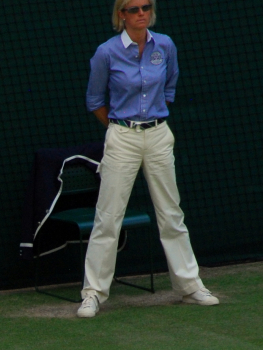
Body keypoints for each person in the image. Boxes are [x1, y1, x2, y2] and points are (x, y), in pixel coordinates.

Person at [79, 0, 218, 318]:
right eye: (134, 8)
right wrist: (122, 127)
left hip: (158, 135)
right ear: (121, 15)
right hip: (122, 137)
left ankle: (189, 286)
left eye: (146, 6)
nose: (142, 13)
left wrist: (150, 123)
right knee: (108, 216)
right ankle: (93, 293)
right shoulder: (106, 52)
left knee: (171, 213)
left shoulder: (165, 45)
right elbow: (95, 99)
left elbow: (169, 86)